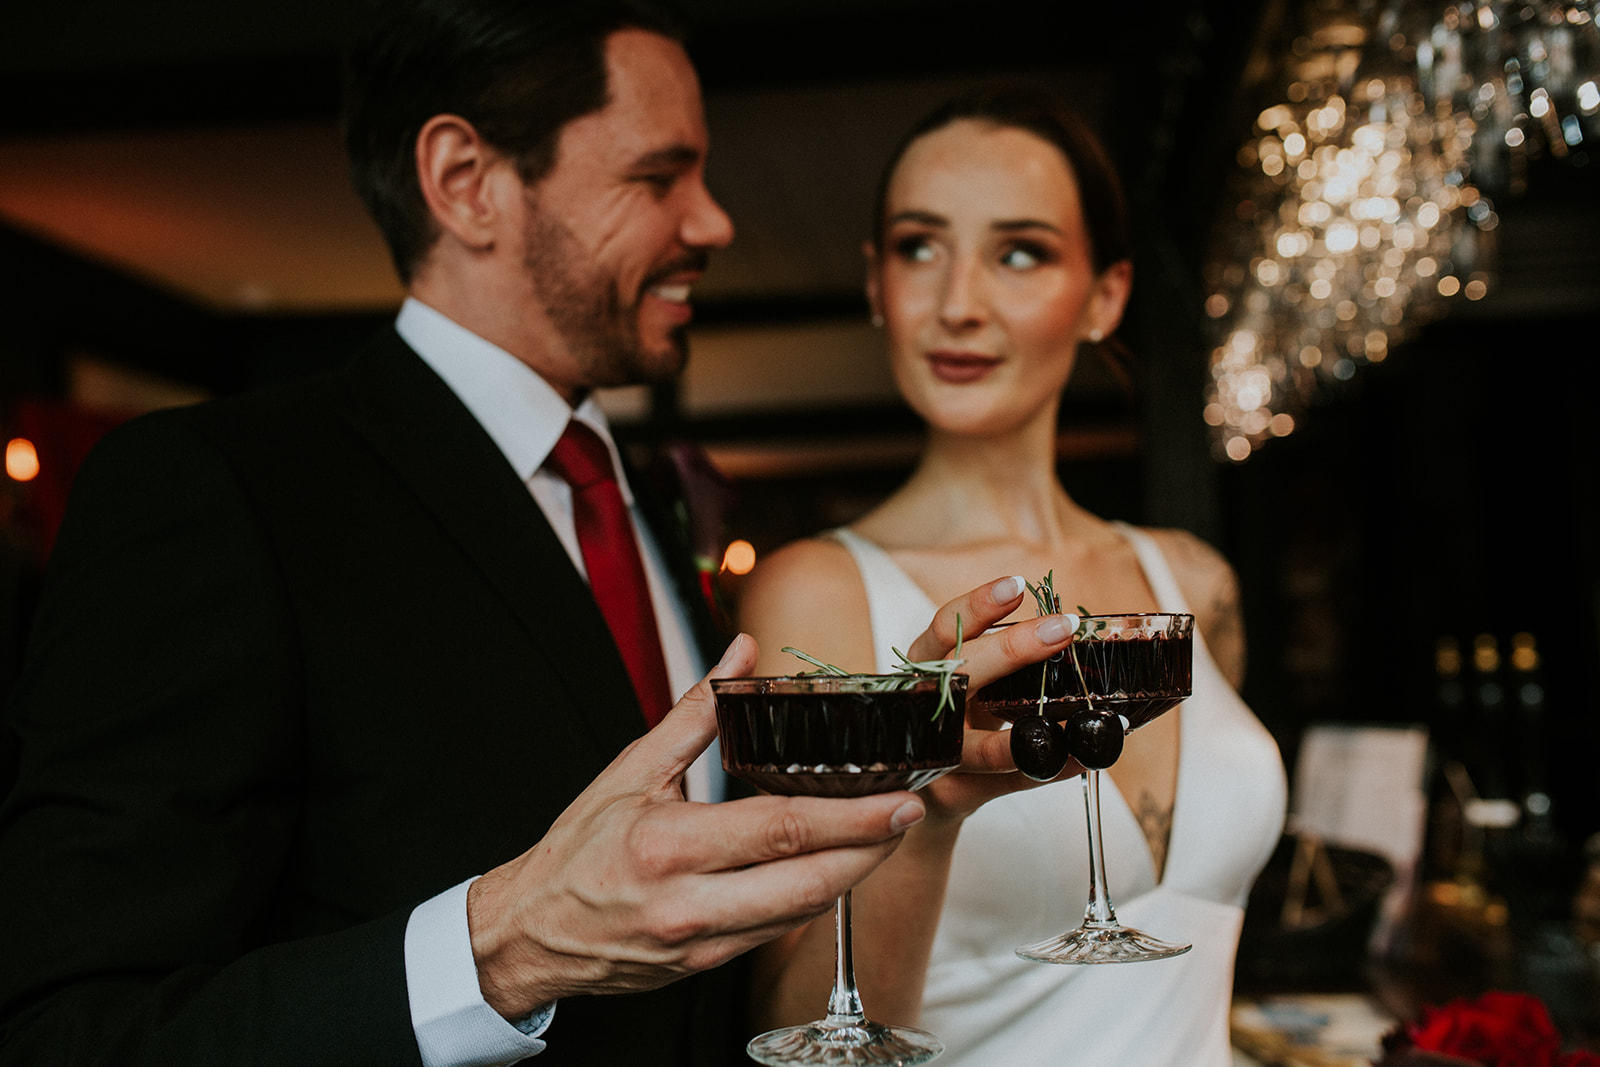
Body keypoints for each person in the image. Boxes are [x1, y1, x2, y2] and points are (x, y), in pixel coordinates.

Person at [0, 7, 1078, 1067]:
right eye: (659, 177)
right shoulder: (217, 488)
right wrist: (497, 948)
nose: (713, 223)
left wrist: (914, 780)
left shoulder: (637, 500)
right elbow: (61, 1028)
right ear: (466, 181)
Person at [737, 83, 1289, 1066]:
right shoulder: (818, 591)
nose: (957, 303)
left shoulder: (1190, 582)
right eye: (918, 247)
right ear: (876, 284)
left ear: (1105, 294)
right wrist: (932, 800)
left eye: (1019, 251)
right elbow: (799, 1030)